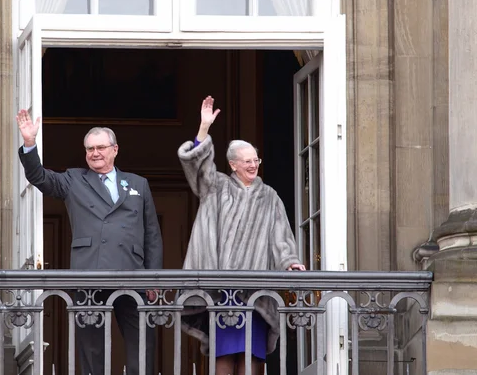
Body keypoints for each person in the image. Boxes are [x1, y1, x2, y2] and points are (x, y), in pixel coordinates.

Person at [16, 109, 162, 375]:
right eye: (89, 148)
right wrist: (29, 144)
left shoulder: (138, 184)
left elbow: (151, 233)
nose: (95, 153)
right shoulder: (74, 180)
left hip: (133, 274)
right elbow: (39, 177)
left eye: (101, 147)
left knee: (141, 345)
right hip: (89, 274)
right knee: (91, 349)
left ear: (115, 149)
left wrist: (154, 277)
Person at [177, 96, 306, 375]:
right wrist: (203, 129)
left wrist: (290, 261)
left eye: (256, 160)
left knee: (253, 359)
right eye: (246, 161)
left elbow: (280, 236)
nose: (253, 165)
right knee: (223, 358)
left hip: (256, 294)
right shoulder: (216, 187)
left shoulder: (269, 196)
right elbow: (197, 168)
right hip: (223, 293)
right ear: (233, 165)